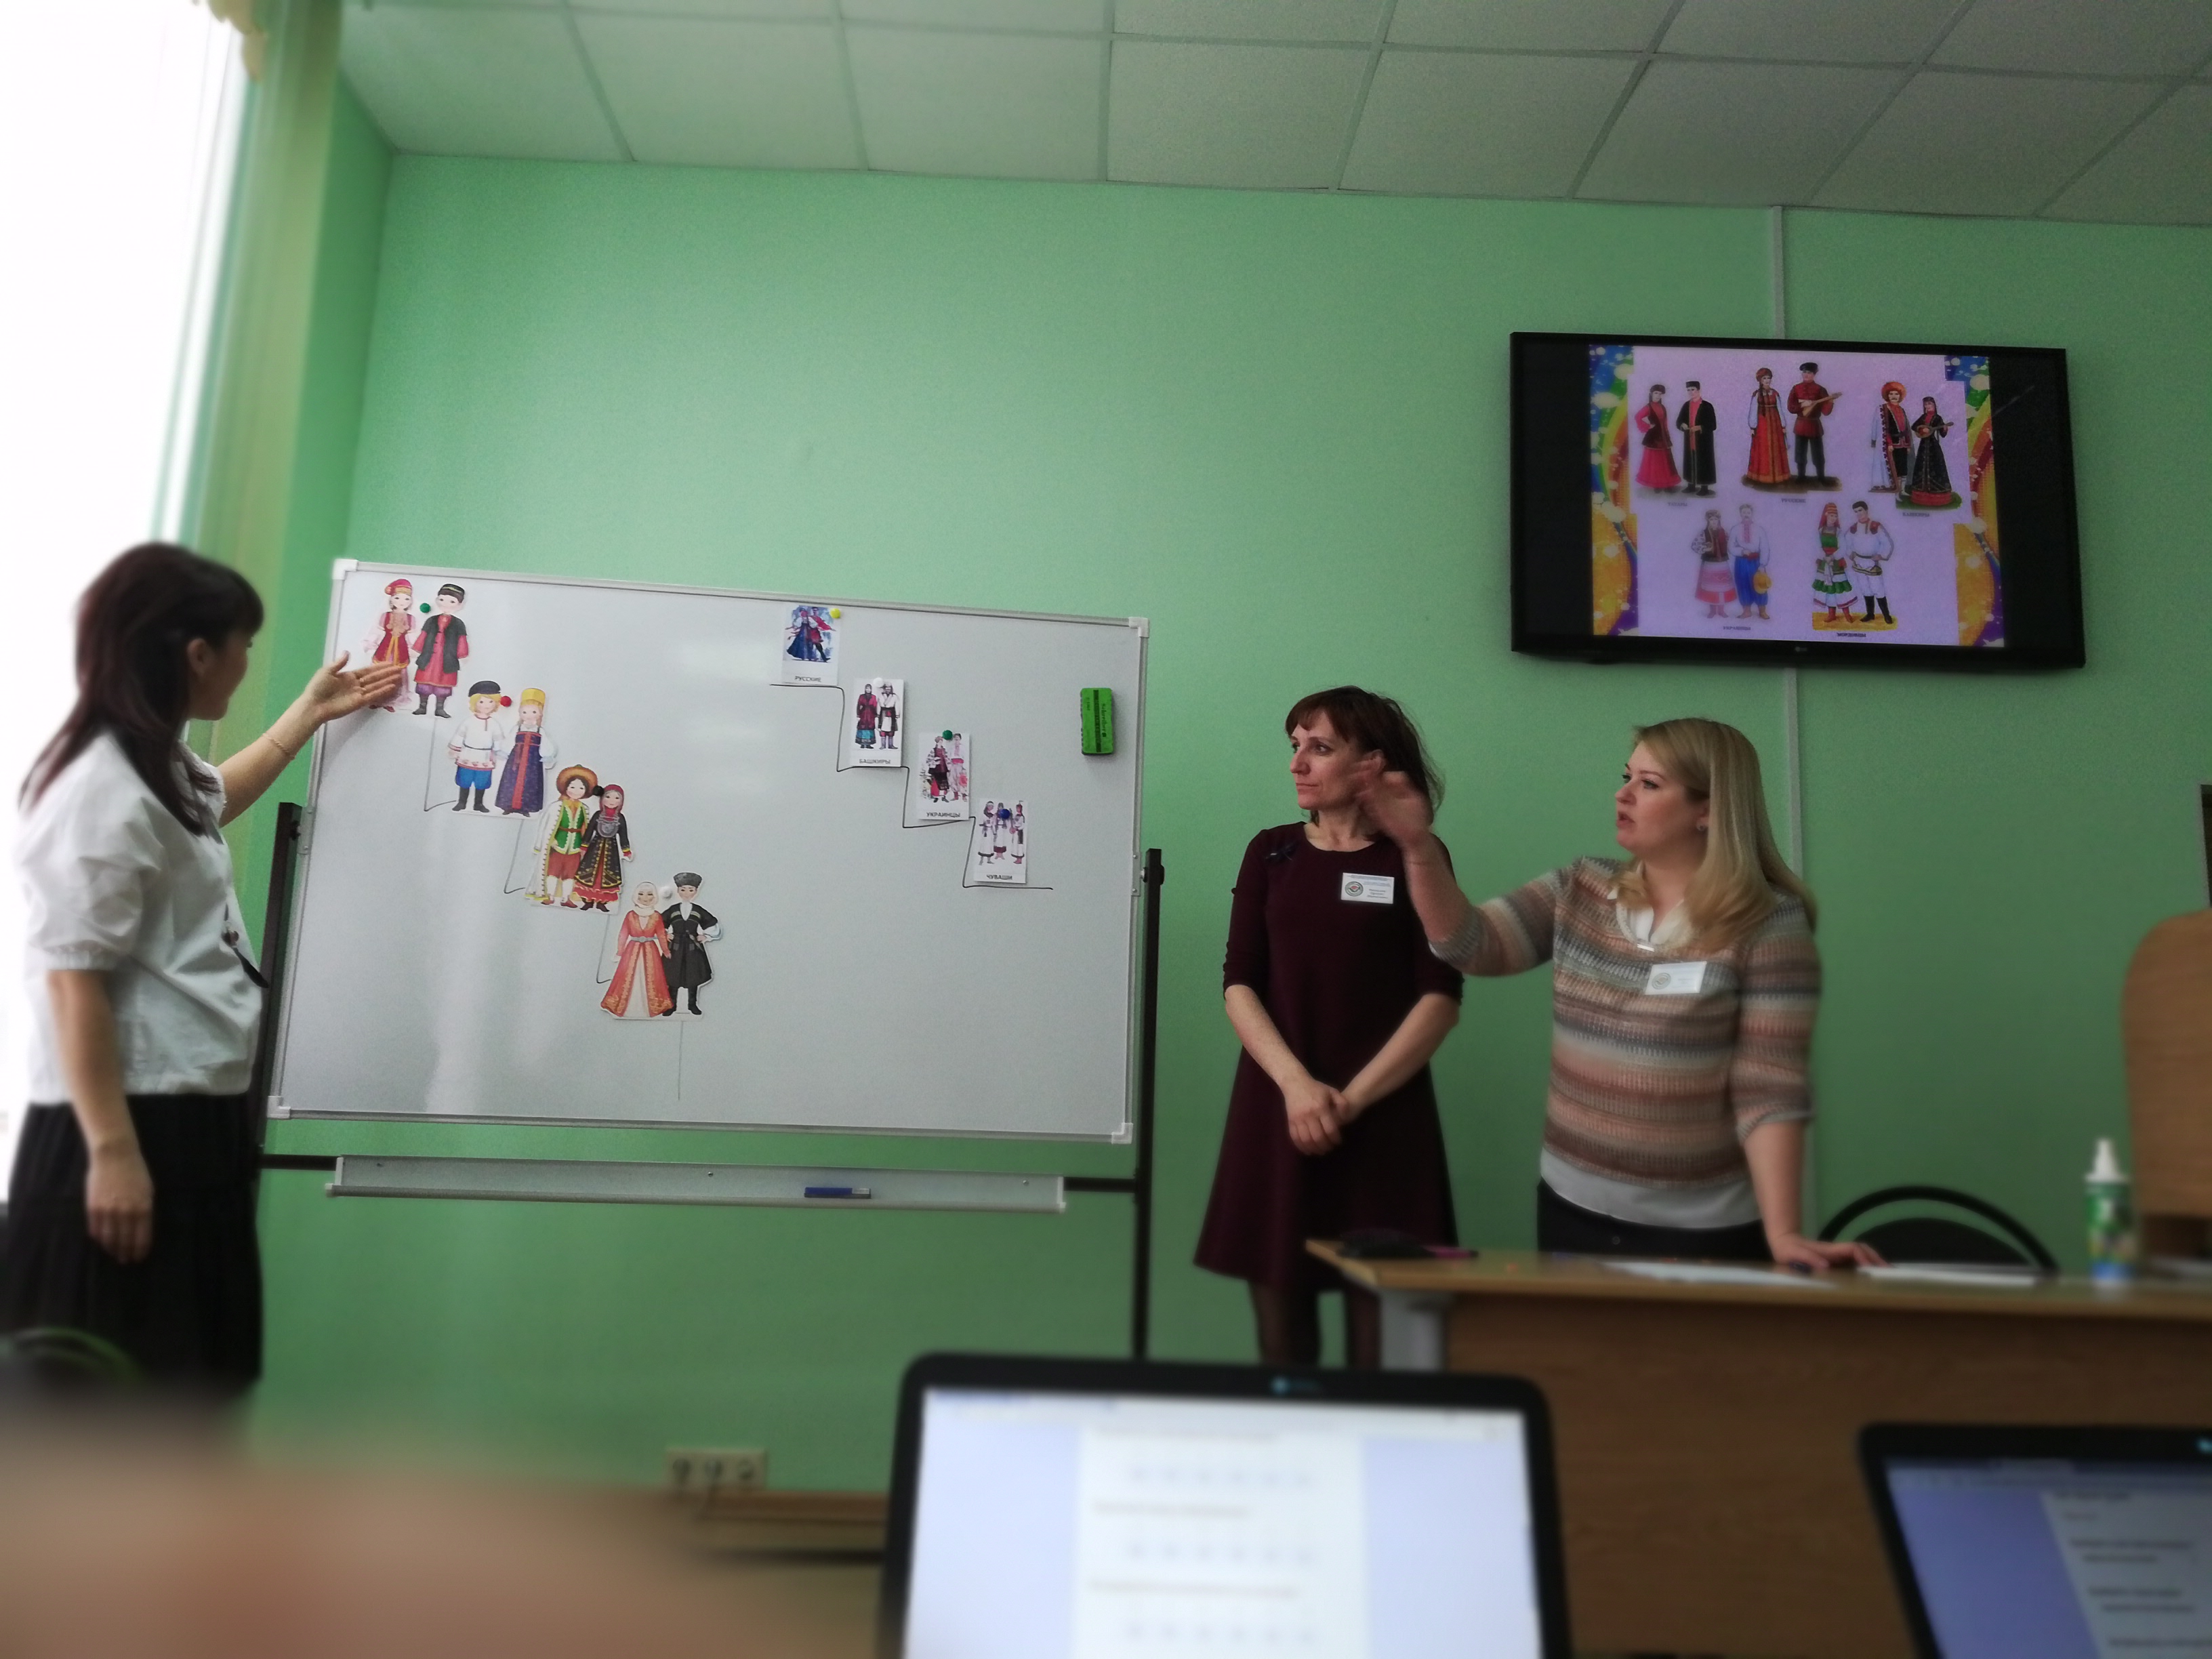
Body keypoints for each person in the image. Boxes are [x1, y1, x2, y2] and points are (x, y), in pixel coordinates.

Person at [3, 544, 402, 1397]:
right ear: (196, 655)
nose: (246, 661)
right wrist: (113, 1154)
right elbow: (72, 982)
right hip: (124, 1128)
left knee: (192, 1384)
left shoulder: (156, 762)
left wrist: (307, 715)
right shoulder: (97, 787)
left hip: (188, 1118)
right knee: (110, 1403)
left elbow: (214, 799)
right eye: (242, 645)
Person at [1357, 717, 1881, 1273]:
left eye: (1649, 784)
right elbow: (1469, 944)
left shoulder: (1769, 924)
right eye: (1626, 776)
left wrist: (1784, 1233)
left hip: (1701, 1230)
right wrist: (1417, 846)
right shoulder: (1580, 889)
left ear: (1708, 809)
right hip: (1570, 1210)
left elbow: (1769, 1088)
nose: (1622, 794)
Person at [1195, 687, 1464, 1367]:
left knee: (1382, 1358)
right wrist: (1298, 1088)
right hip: (1281, 1111)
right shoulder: (1271, 853)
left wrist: (1350, 1101)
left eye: (1320, 748)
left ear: (1372, 764)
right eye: (1295, 746)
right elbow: (1239, 983)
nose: (1298, 764)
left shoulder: (1416, 855)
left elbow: (1440, 996)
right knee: (1284, 1353)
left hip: (1383, 1118)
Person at [659, 874, 718, 1017]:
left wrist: (706, 936)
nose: (687, 893)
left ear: (696, 891)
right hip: (675, 947)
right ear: (678, 891)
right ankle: (671, 1005)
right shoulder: (673, 909)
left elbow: (712, 924)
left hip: (693, 948)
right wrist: (665, 935)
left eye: (691, 890)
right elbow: (659, 924)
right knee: (673, 975)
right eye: (683, 890)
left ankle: (692, 1004)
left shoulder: (698, 910)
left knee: (693, 976)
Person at [1844, 499, 1896, 624]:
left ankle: (1886, 615)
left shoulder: (1875, 526)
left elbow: (1887, 542)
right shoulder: (1853, 528)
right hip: (1859, 562)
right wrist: (1850, 553)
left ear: (1866, 510)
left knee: (1878, 589)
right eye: (1856, 511)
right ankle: (1870, 614)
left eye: (1860, 510)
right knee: (1865, 588)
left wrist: (1881, 555)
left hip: (1872, 563)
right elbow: (1846, 542)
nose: (1859, 513)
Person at [1786, 361, 1837, 483]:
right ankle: (1801, 477)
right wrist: (1803, 405)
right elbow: (1791, 408)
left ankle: (1821, 477)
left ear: (1814, 374)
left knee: (1817, 453)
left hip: (1814, 426)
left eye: (1809, 373)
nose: (1806, 375)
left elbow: (1826, 412)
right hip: (1801, 425)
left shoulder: (1820, 390)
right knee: (1800, 453)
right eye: (1804, 372)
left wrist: (1830, 401)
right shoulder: (1796, 388)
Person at [1743, 367, 1790, 487]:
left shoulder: (1775, 393)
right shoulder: (1757, 395)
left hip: (1775, 424)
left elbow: (1780, 409)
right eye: (1764, 378)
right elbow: (1753, 411)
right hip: (1762, 425)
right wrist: (1753, 427)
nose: (1767, 380)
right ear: (1760, 380)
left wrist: (1783, 425)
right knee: (1763, 448)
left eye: (1769, 378)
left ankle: (1778, 477)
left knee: (1776, 448)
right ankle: (1762, 477)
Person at [1907, 396, 1957, 508]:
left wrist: (1944, 429)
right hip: (1924, 445)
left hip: (1933, 445)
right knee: (1922, 465)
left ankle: (1937, 494)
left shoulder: (1938, 418)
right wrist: (1922, 429)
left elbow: (1942, 434)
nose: (1927, 406)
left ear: (1934, 405)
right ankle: (1920, 492)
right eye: (1926, 404)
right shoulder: (1923, 417)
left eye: (1929, 404)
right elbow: (1914, 426)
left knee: (1936, 465)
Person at [1634, 385, 1681, 491]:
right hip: (1653, 438)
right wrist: (1648, 426)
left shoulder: (1663, 407)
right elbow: (1638, 417)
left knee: (1666, 461)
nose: (1658, 396)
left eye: (1660, 394)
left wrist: (1667, 434)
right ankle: (1657, 484)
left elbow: (1665, 423)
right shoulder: (1648, 407)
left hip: (1663, 437)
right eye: (1656, 393)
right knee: (1655, 462)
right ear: (1651, 394)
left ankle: (1667, 484)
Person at [1675, 380, 1717, 496]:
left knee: (1703, 462)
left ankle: (1704, 487)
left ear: (1698, 390)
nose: (1691, 392)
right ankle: (1691, 485)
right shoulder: (1686, 406)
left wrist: (1699, 427)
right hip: (1689, 439)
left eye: (1693, 389)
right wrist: (1682, 425)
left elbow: (1713, 425)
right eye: (1688, 390)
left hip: (1703, 441)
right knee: (1690, 461)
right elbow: (1679, 421)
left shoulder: (1707, 406)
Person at [1732, 502, 1771, 619]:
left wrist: (1762, 564)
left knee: (1760, 583)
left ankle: (1762, 611)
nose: (1746, 515)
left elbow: (1765, 547)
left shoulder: (1759, 529)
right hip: (1741, 562)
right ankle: (1747, 611)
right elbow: (1731, 547)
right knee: (1743, 584)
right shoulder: (1735, 529)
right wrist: (1742, 552)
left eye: (1748, 512)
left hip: (1756, 562)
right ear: (1740, 514)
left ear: (1752, 514)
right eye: (1744, 512)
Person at [1692, 510, 1732, 617]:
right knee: (1711, 587)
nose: (1714, 521)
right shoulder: (1704, 533)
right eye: (1711, 519)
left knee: (1722, 587)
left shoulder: (1724, 532)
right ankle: (1712, 611)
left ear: (1719, 520)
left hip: (1722, 564)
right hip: (1710, 565)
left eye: (1716, 519)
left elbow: (1732, 543)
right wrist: (1705, 548)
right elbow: (1694, 546)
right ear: (1708, 521)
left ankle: (1721, 610)